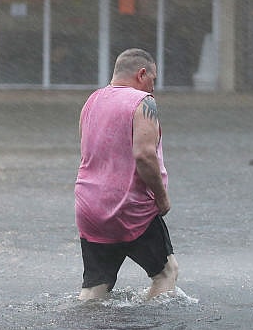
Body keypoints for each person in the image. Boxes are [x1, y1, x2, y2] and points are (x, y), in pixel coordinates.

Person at [74, 48, 180, 301]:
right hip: (130, 207)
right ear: (141, 74)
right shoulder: (143, 102)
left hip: (89, 207)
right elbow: (144, 156)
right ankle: (152, 322)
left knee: (96, 287)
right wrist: (162, 198)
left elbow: (90, 151)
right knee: (166, 273)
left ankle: (86, 323)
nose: (153, 87)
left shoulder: (92, 101)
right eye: (153, 79)